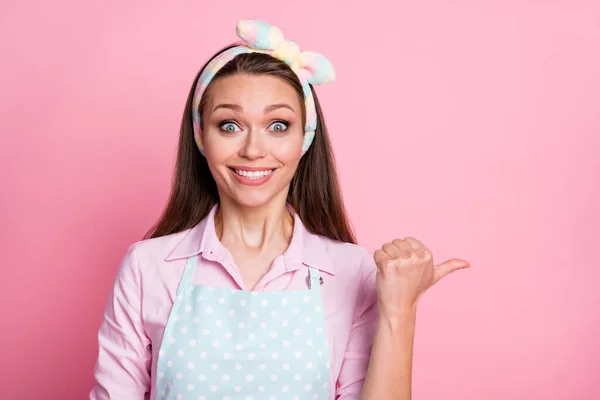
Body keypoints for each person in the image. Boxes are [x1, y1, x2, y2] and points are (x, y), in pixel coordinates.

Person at [89, 19, 470, 400]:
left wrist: (399, 310)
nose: (254, 150)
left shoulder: (353, 272)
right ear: (200, 135)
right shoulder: (147, 268)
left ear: (304, 138)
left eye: (277, 125)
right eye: (229, 125)